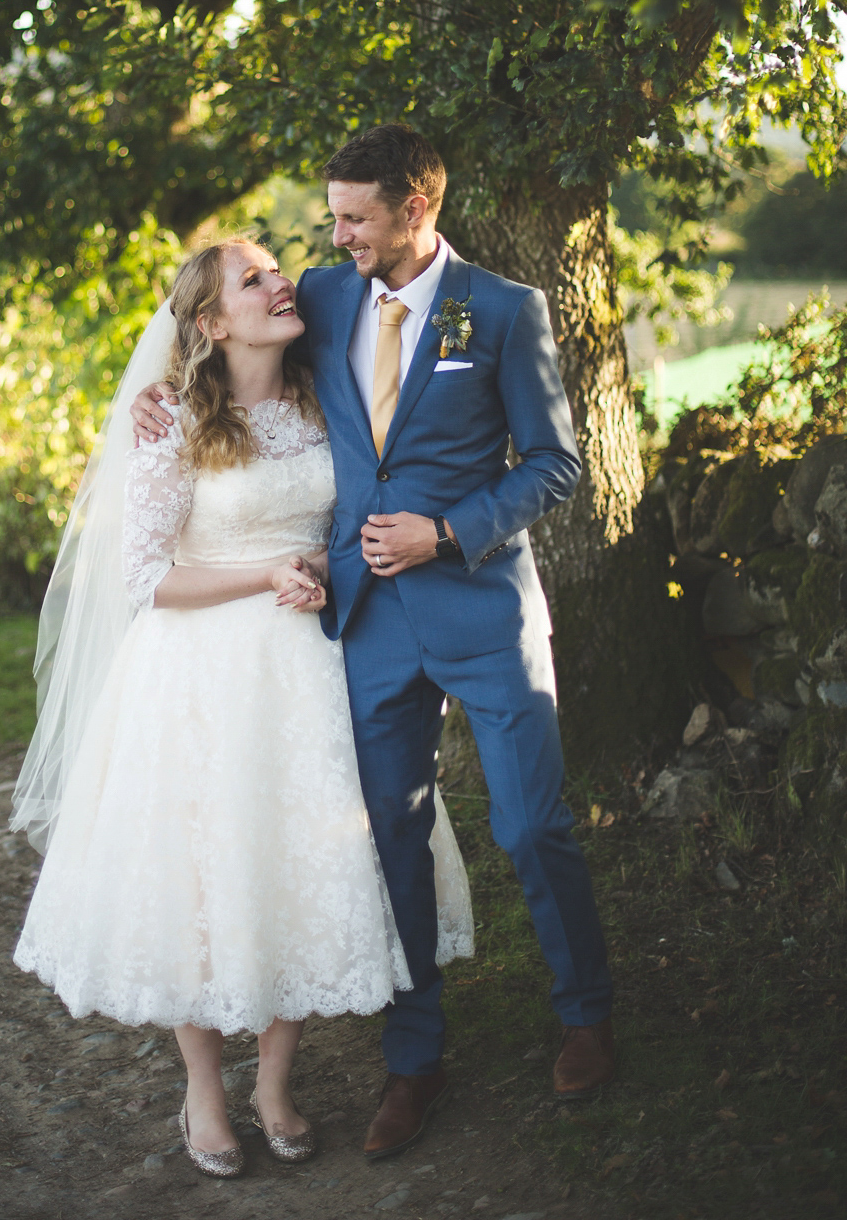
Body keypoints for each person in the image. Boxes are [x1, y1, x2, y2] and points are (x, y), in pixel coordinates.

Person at [132, 124, 614, 1161]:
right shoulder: (326, 295)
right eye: (333, 214)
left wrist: (450, 530)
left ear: (417, 209)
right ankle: (415, 1058)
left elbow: (555, 466)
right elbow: (216, 341)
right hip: (361, 624)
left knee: (530, 826)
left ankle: (586, 1018)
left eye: (356, 217)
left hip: (483, 608)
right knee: (386, 835)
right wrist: (153, 400)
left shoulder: (504, 311)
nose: (335, 235)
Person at [10, 236, 473, 1179]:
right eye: (253, 278)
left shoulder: (327, 394)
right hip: (198, 677)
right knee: (202, 875)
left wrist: (314, 574)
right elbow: (146, 577)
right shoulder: (173, 419)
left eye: (277, 268)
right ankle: (205, 1093)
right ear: (214, 323)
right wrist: (267, 571)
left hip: (306, 669)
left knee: (290, 862)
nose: (280, 282)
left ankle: (274, 1084)